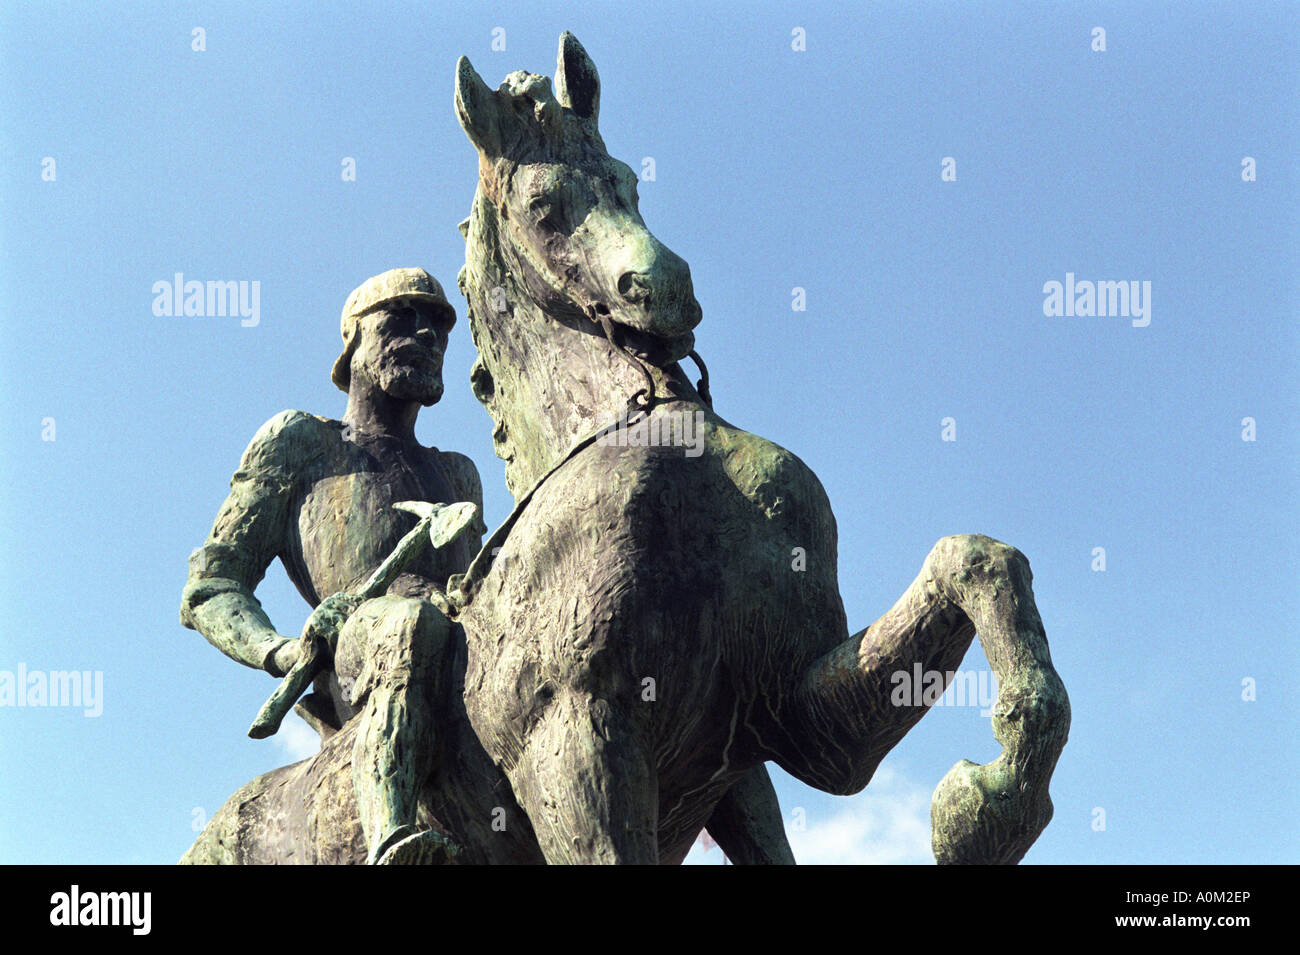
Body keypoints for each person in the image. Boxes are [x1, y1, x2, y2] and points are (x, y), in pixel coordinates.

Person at [181, 268, 486, 864]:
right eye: (402, 317)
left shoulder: (460, 473)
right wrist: (281, 650)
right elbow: (211, 586)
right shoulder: (302, 441)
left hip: (458, 646)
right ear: (352, 340)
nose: (427, 335)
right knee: (406, 623)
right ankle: (393, 841)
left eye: (440, 326)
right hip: (361, 654)